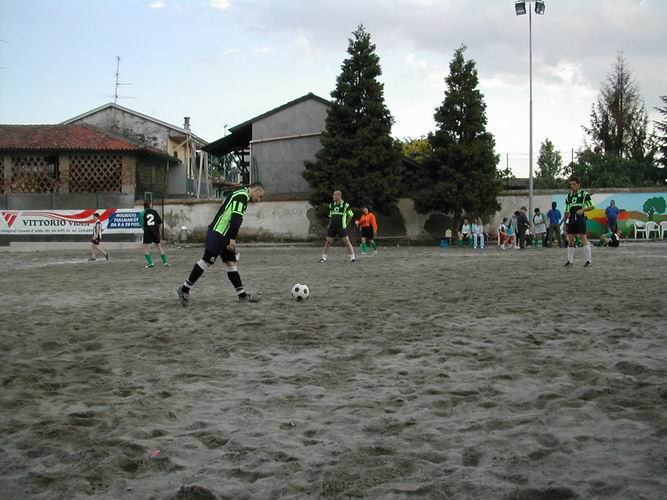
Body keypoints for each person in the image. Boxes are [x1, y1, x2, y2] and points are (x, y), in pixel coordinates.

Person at [177, 182, 265, 306]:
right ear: (256, 190)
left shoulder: (238, 193)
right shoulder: (242, 196)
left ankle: (242, 296)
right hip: (219, 232)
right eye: (260, 196)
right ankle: (184, 289)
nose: (259, 200)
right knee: (207, 260)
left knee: (231, 263)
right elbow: (236, 218)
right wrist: (232, 238)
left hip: (224, 233)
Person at [564, 176, 594, 267]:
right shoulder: (569, 196)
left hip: (580, 218)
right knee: (570, 240)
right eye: (571, 184)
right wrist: (565, 223)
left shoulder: (584, 194)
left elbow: (592, 206)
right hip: (571, 218)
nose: (572, 186)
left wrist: (582, 210)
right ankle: (570, 261)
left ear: (578, 184)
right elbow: (567, 210)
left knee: (583, 238)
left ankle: (588, 261)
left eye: (574, 184)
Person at [320, 190, 356, 263]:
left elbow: (351, 215)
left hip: (341, 226)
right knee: (328, 242)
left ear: (338, 196)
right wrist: (329, 224)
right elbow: (331, 216)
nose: (333, 196)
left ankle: (353, 258)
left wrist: (346, 223)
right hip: (332, 226)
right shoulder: (331, 205)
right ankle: (323, 258)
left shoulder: (345, 205)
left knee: (346, 241)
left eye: (334, 195)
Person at [141, 200, 170, 268]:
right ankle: (165, 262)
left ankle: (151, 263)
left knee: (145, 248)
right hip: (155, 231)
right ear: (150, 205)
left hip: (147, 231)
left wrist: (145, 230)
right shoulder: (154, 211)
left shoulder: (142, 213)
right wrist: (159, 231)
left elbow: (142, 224)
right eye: (151, 204)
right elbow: (160, 222)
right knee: (159, 246)